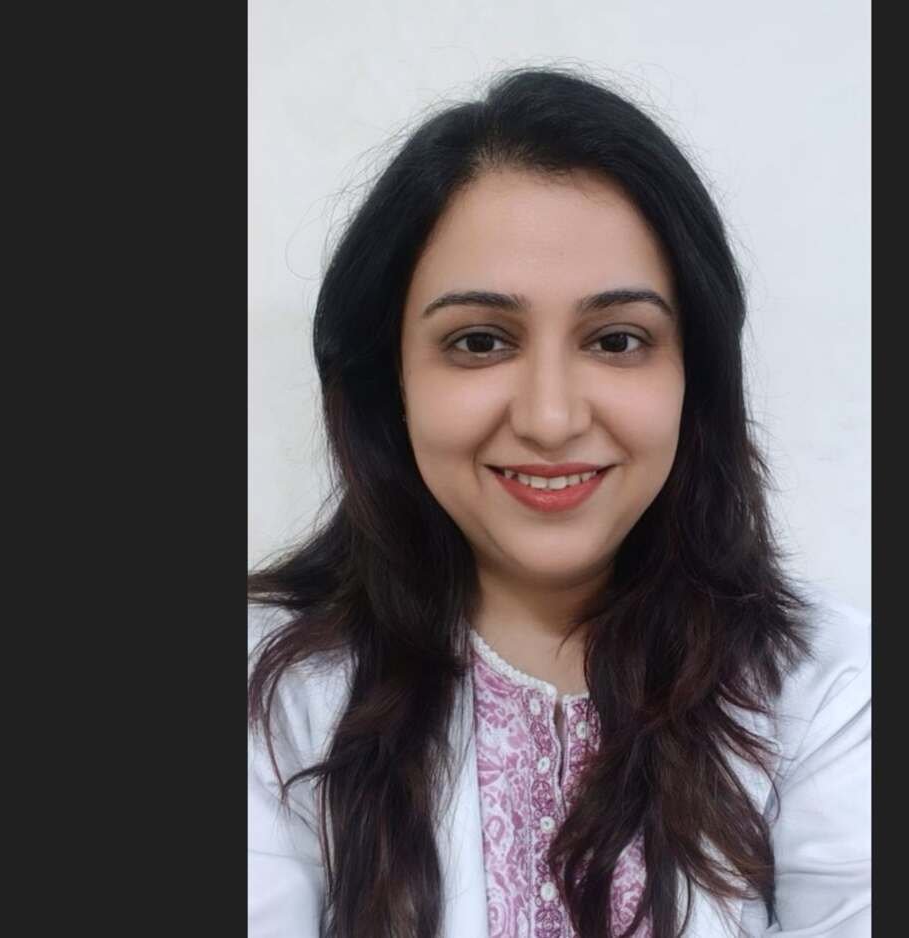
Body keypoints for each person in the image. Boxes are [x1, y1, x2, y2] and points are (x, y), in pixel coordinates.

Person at [248, 67, 870, 938]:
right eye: (479, 341)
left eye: (616, 340)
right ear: (391, 379)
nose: (550, 419)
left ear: (694, 377)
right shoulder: (269, 691)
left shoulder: (826, 688)